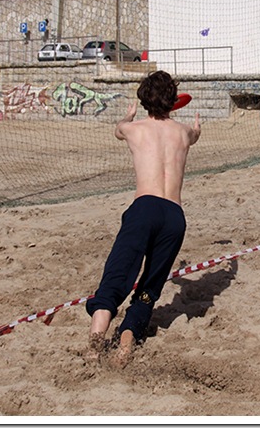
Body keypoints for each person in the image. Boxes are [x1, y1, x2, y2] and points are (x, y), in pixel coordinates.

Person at [84, 70, 201, 367]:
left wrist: (128, 115)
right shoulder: (184, 132)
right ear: (173, 101)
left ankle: (96, 343)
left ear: (142, 99)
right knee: (150, 286)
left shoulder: (133, 129)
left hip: (144, 208)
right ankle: (127, 339)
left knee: (117, 274)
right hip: (174, 216)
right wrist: (195, 126)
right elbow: (195, 135)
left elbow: (118, 129)